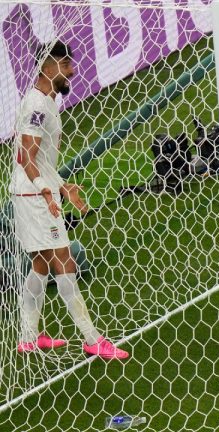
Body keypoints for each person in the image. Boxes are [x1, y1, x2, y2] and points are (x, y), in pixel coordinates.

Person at [10, 41, 128, 359]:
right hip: (34, 196)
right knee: (64, 261)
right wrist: (46, 190)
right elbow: (25, 155)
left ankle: (29, 336)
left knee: (41, 265)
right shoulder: (36, 106)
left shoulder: (47, 101)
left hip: (37, 192)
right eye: (65, 65)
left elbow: (42, 159)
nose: (72, 71)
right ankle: (92, 339)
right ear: (47, 68)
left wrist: (61, 186)